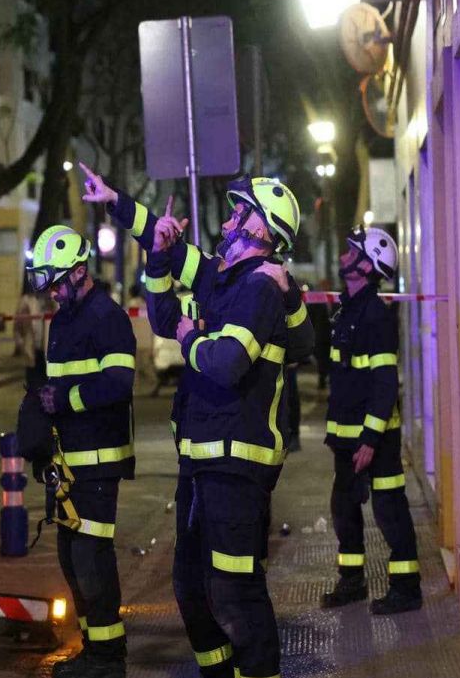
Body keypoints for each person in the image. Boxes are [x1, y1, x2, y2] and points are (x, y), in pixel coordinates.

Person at [81, 166, 299, 678]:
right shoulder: (224, 275)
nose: (226, 221)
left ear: (261, 230)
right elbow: (166, 265)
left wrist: (188, 334)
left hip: (236, 461)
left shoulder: (260, 288)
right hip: (203, 457)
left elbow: (224, 363)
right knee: (191, 585)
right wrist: (123, 208)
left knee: (234, 589)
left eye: (238, 212)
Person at [24, 224, 136, 678]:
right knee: (73, 561)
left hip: (99, 464)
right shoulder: (63, 322)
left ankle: (109, 660)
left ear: (78, 271)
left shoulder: (107, 317)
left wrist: (63, 399)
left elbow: (119, 383)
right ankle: (95, 649)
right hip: (70, 464)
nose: (51, 292)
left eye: (55, 282)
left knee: (92, 560)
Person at [320, 225, 423, 615]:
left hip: (374, 440)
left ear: (367, 265)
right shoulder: (347, 308)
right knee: (344, 509)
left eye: (352, 251)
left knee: (389, 510)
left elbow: (383, 383)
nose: (345, 255)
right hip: (346, 438)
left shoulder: (376, 316)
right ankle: (351, 581)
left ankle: (406, 589)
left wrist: (369, 439)